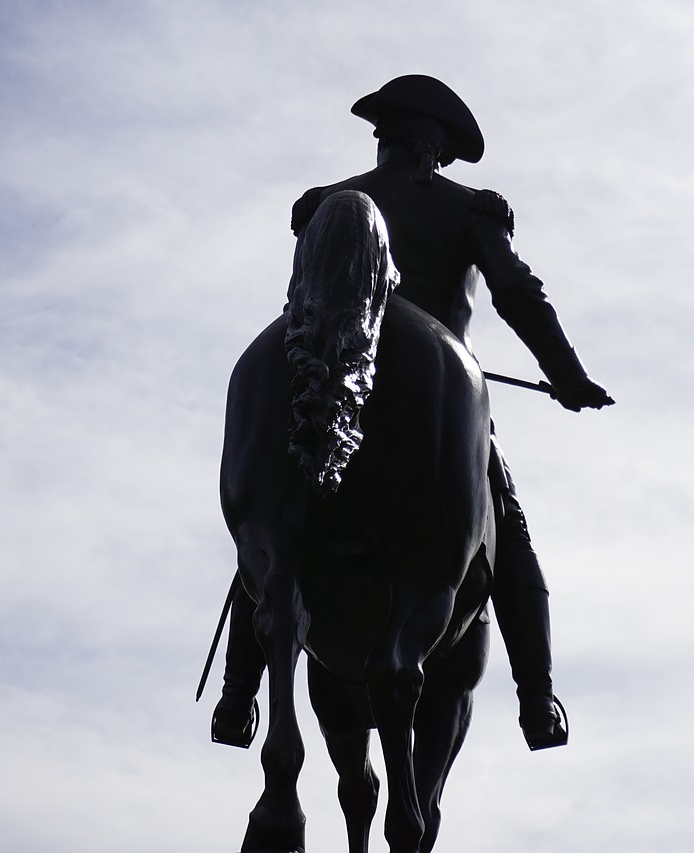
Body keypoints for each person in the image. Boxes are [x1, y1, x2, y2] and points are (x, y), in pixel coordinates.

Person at [212, 74, 612, 752]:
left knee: (281, 508)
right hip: (441, 417)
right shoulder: (469, 210)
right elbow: (514, 289)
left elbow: (300, 312)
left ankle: (238, 696)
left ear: (386, 140)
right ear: (432, 146)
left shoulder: (322, 207)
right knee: (507, 525)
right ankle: (537, 697)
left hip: (328, 374)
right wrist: (566, 375)